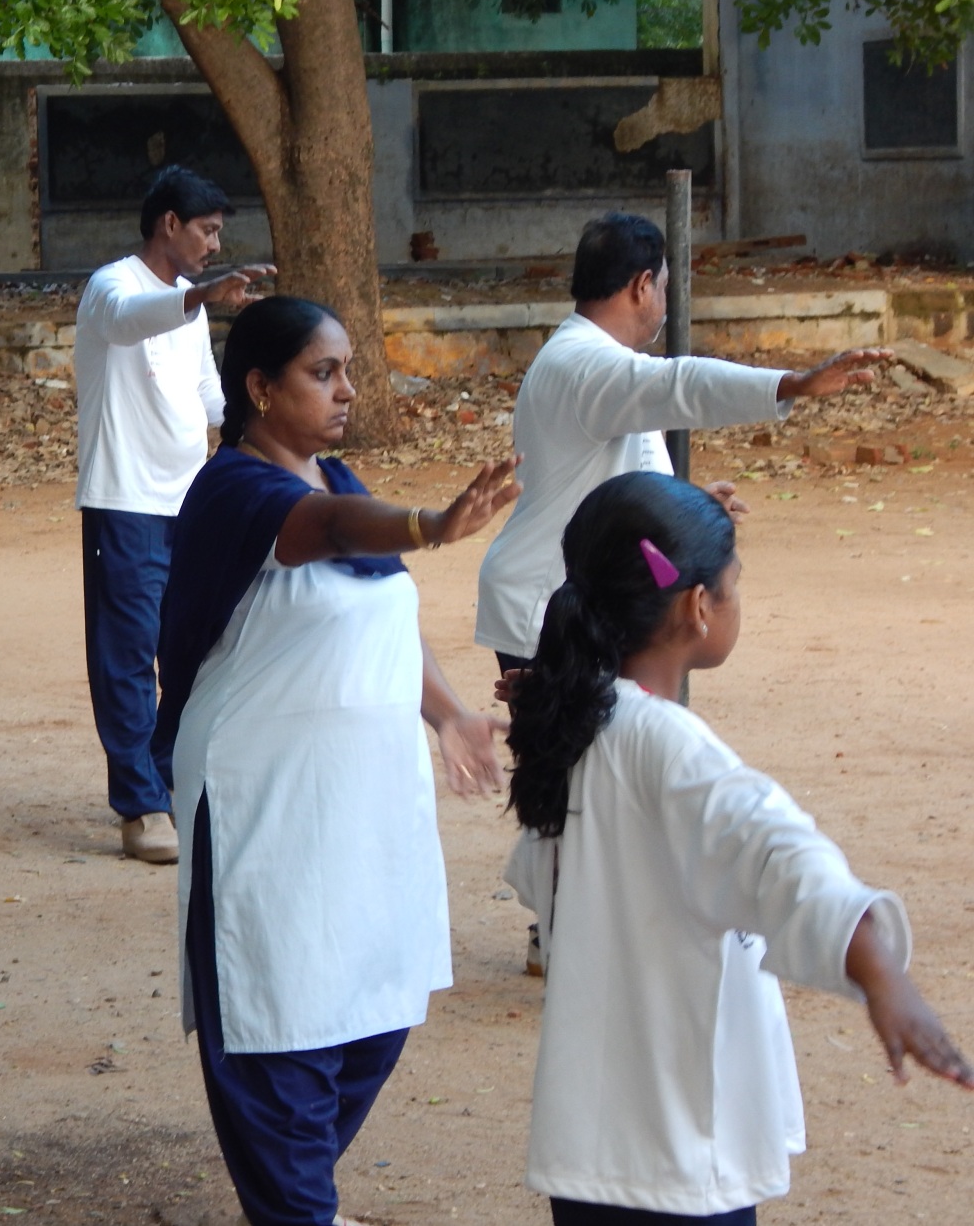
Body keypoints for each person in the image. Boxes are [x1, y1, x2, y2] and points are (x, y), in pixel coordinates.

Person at [503, 471, 973, 1225]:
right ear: (697, 607)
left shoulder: (579, 724)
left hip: (592, 1149)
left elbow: (541, 873)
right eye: (733, 584)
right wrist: (880, 969)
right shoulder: (668, 745)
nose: (736, 599)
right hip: (678, 1151)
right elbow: (777, 848)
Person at [156, 295, 521, 1226]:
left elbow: (380, 602)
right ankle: (296, 1206)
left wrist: (448, 715)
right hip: (261, 802)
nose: (348, 389)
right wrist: (431, 527)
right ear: (259, 388)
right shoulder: (238, 491)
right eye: (324, 373)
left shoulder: (330, 474)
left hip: (362, 805)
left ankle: (295, 1194)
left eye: (348, 370)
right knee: (275, 1014)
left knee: (376, 1005)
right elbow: (325, 532)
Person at [476, 212, 889, 973]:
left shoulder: (600, 371)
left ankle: (570, 924)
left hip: (574, 594)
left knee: (586, 765)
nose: (665, 300)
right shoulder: (586, 365)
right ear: (642, 285)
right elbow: (680, 385)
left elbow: (635, 483)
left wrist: (694, 514)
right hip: (548, 601)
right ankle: (566, 930)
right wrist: (792, 383)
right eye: (664, 286)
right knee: (577, 769)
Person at [75, 165, 275, 863]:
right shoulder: (112, 287)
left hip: (189, 503)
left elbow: (206, 398)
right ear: (169, 224)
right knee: (127, 656)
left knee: (189, 649)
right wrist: (200, 301)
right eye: (208, 230)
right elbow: (130, 325)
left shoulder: (191, 304)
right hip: (123, 499)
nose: (216, 244)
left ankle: (168, 779)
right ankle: (139, 804)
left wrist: (261, 429)